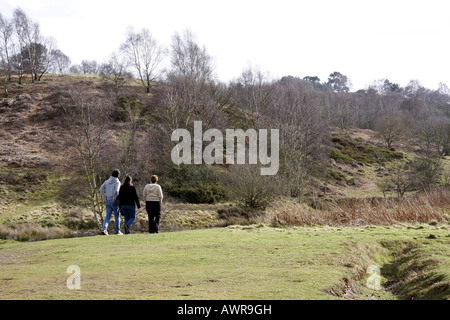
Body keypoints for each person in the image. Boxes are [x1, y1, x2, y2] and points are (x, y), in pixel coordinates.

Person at [99, 169, 122, 235]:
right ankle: (117, 231)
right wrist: (114, 199)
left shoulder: (106, 181)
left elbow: (101, 189)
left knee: (107, 216)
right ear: (118, 175)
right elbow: (116, 191)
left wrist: (104, 197)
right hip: (114, 201)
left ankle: (104, 229)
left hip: (107, 200)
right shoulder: (117, 182)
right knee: (117, 216)